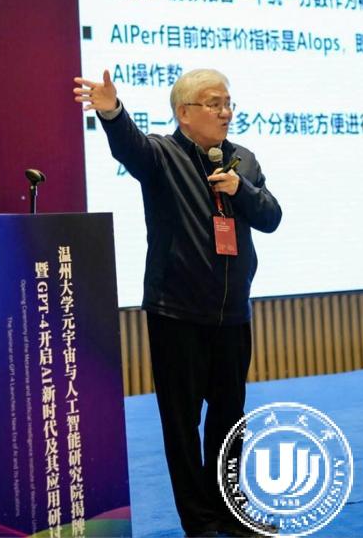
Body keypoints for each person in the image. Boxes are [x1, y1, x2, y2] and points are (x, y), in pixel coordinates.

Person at [73, 68, 282, 537]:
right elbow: (129, 146)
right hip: (177, 311)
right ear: (184, 113)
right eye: (214, 103)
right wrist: (111, 112)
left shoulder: (243, 161)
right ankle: (200, 521)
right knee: (182, 423)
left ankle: (230, 509)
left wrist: (242, 190)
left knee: (229, 419)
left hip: (233, 312)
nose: (226, 112)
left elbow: (271, 216)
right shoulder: (162, 156)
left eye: (228, 103)